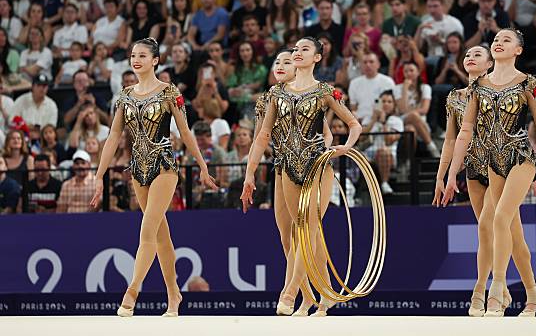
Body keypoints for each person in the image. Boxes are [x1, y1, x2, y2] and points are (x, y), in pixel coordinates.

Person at [443, 29, 536, 316]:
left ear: (518, 50)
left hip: (520, 156)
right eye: (496, 40)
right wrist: (452, 174)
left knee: (499, 218)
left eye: (506, 40)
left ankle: (496, 290)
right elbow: (463, 132)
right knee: (512, 232)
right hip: (491, 160)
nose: (498, 43)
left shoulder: (527, 82)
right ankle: (532, 293)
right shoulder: (478, 87)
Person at [90, 38, 216, 317]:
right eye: (133, 55)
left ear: (155, 60)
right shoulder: (124, 96)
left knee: (147, 230)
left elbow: (185, 133)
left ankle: (131, 291)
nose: (136, 60)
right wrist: (99, 175)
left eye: (143, 55)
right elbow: (113, 136)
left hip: (164, 166)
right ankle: (174, 295)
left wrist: (202, 166)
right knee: (161, 236)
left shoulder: (169, 92)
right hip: (138, 168)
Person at [241, 37, 362, 317]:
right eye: (293, 50)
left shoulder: (324, 91)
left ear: (318, 58)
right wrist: (249, 175)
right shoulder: (276, 94)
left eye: (303, 50)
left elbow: (352, 124)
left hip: (317, 168)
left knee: (305, 229)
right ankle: (318, 295)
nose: (296, 53)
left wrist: (345, 146)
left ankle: (289, 293)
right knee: (296, 234)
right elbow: (262, 137)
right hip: (285, 167)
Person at [393, 62, 438, 156]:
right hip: (402, 120)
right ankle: (432, 147)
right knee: (413, 115)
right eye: (406, 71)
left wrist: (409, 110)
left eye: (411, 70)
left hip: (421, 124)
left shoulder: (425, 88)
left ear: (418, 72)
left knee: (411, 129)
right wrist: (405, 89)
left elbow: (424, 110)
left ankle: (409, 162)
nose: (409, 73)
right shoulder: (397, 88)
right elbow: (402, 109)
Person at [348, 52, 395, 124]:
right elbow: (353, 107)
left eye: (371, 62)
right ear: (361, 65)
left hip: (382, 119)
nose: (368, 65)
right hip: (361, 120)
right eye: (365, 62)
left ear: (378, 64)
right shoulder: (354, 83)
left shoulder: (387, 81)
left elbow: (392, 105)